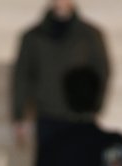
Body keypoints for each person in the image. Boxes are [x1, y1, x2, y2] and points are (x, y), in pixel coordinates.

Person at [12, 1, 110, 147]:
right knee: (50, 160)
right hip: (47, 115)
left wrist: (96, 105)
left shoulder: (90, 35)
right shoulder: (33, 36)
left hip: (81, 117)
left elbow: (101, 71)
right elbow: (22, 76)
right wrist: (19, 115)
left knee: (79, 159)